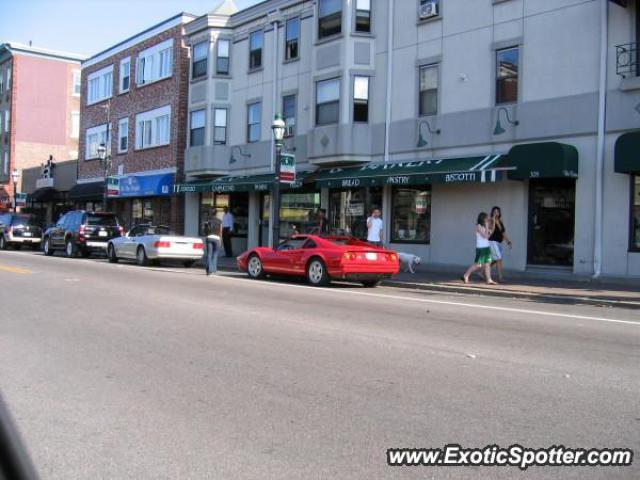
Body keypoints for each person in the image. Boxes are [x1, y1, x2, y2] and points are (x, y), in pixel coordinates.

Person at [462, 212, 497, 285]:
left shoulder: (485, 227)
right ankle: (466, 275)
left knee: (487, 264)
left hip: (486, 247)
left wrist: (492, 223)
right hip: (480, 248)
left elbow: (489, 235)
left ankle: (489, 280)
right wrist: (487, 227)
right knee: (478, 265)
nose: (487, 219)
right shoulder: (478, 226)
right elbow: (485, 236)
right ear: (482, 218)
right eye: (486, 218)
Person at [488, 206, 512, 283]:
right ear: (492, 213)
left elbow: (503, 233)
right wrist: (494, 220)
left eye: (497, 211)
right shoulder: (491, 221)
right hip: (492, 242)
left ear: (499, 213)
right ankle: (500, 278)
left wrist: (508, 241)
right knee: (499, 259)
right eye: (494, 212)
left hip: (499, 242)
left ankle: (482, 273)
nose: (496, 213)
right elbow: (491, 230)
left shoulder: (500, 221)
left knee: (495, 260)